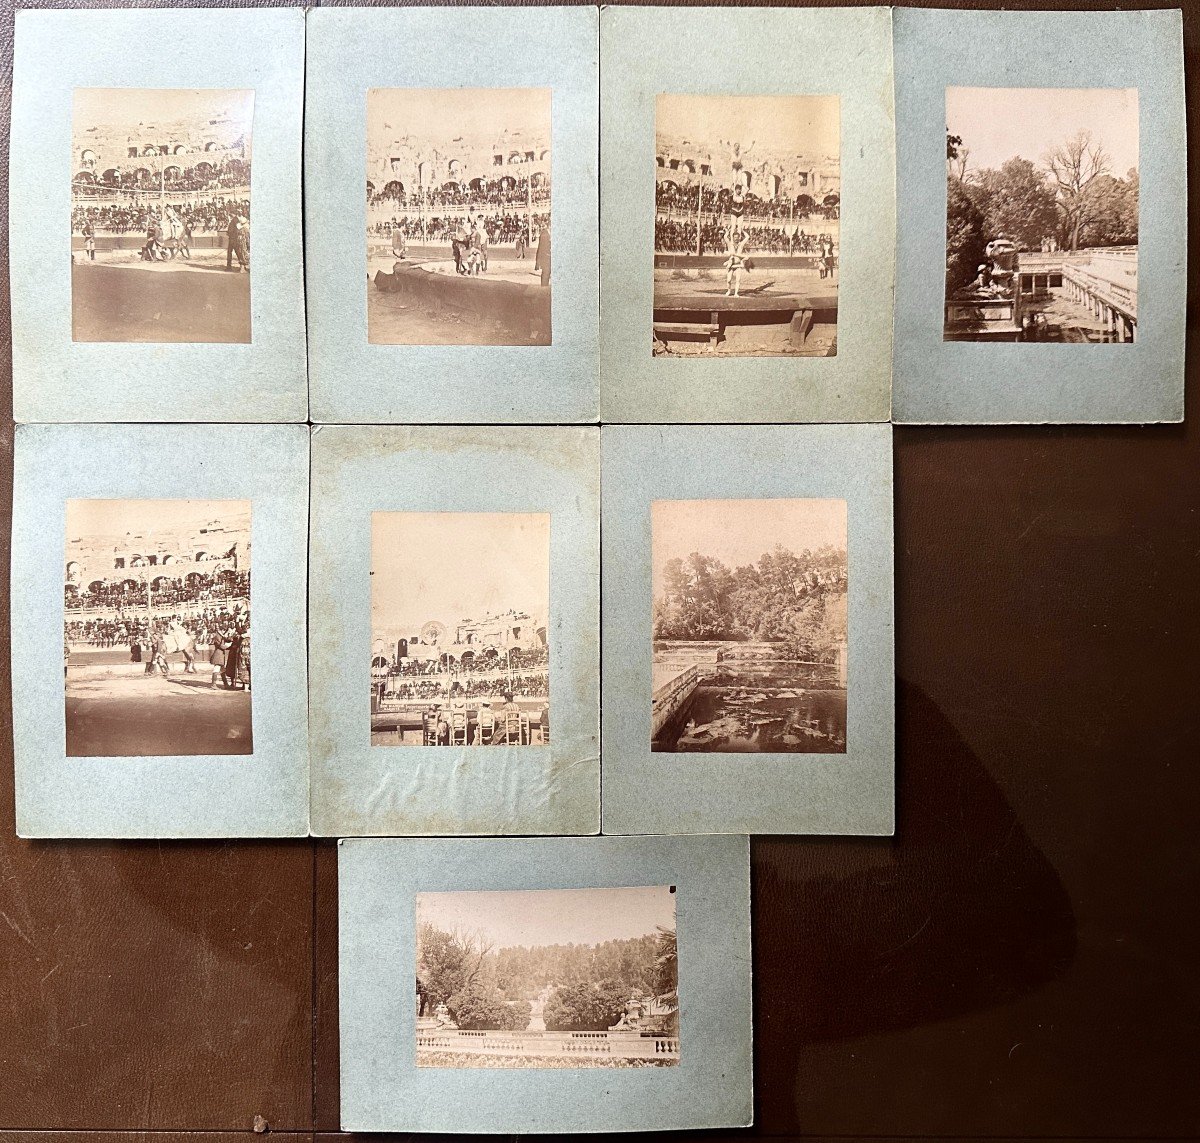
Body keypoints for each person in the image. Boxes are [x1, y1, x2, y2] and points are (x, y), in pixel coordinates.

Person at [535, 221, 551, 287]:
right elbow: (541, 247)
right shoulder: (544, 234)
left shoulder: (548, 233)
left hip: (549, 257)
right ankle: (544, 290)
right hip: (546, 258)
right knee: (546, 274)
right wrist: (538, 262)